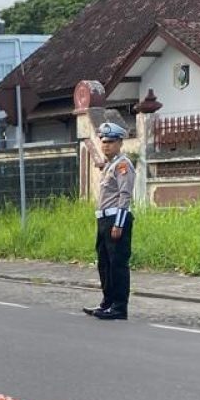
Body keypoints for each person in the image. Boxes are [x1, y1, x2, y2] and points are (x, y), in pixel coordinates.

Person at [85, 121, 134, 321]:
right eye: (103, 142)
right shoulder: (109, 166)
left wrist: (119, 224)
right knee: (104, 264)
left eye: (110, 142)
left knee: (117, 265)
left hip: (116, 219)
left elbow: (125, 195)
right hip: (104, 220)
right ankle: (107, 303)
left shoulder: (123, 165)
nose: (106, 145)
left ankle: (119, 307)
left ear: (120, 142)